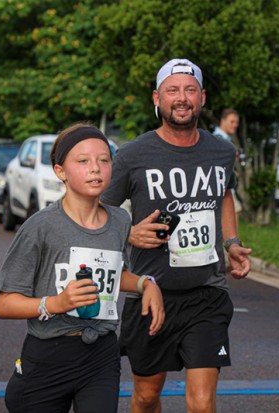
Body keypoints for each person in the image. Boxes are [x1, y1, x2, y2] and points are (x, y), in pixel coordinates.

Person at [101, 58, 253, 413]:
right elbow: (100, 212)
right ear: (158, 98)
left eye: (190, 90)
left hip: (207, 293)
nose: (182, 98)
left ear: (202, 97)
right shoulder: (132, 155)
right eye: (172, 90)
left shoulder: (222, 151)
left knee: (201, 403)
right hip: (151, 293)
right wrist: (129, 232)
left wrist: (231, 243)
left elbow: (224, 194)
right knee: (146, 397)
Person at [0, 123, 164, 413]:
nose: (95, 168)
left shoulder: (120, 221)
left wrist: (145, 284)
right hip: (48, 354)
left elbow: (113, 273)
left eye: (104, 160)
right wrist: (56, 303)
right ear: (60, 171)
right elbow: (4, 304)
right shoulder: (40, 227)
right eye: (83, 161)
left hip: (101, 353)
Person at [213, 108, 243, 222]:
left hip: (223, 186)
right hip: (221, 187)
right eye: (232, 122)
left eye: (237, 122)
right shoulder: (218, 138)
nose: (235, 125)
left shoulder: (224, 139)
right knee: (234, 212)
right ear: (223, 121)